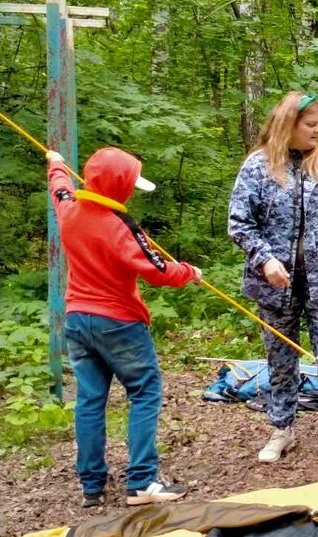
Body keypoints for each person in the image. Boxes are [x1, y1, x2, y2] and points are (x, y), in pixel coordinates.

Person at [46, 147, 202, 507]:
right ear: (118, 188)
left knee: (89, 399)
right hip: (118, 323)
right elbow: (158, 271)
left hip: (77, 321)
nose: (132, 191)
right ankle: (142, 483)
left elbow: (60, 188)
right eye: (129, 185)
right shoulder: (122, 227)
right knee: (145, 392)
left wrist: (55, 165)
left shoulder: (69, 210)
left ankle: (91, 485)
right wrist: (189, 272)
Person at [228, 93, 318, 461]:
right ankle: (281, 429)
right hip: (276, 285)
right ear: (289, 124)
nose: (317, 130)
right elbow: (239, 223)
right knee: (280, 355)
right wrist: (264, 260)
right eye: (310, 124)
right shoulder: (257, 168)